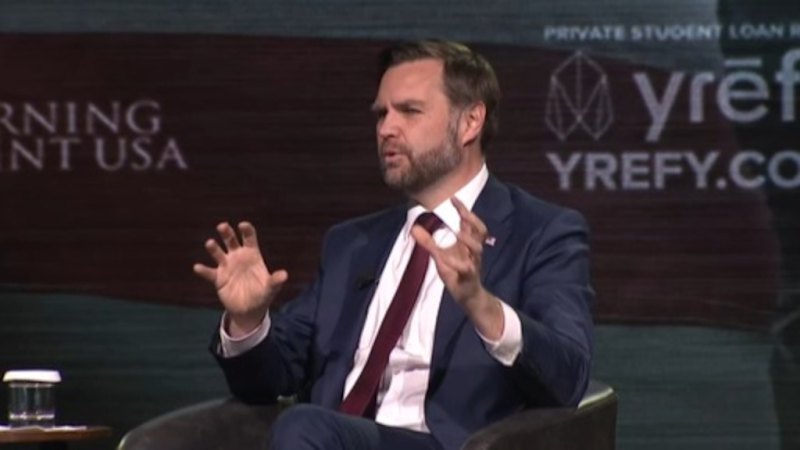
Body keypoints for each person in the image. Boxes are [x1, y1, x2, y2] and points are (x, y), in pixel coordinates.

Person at [193, 40, 594, 450]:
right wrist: (248, 322)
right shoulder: (351, 243)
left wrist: (481, 305)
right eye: (382, 114)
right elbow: (268, 381)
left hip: (444, 444)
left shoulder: (542, 233)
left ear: (470, 122)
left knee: (304, 427)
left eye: (409, 111)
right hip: (331, 438)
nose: (386, 128)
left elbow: (568, 379)